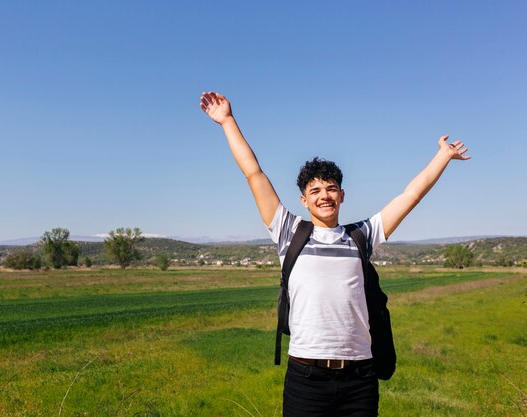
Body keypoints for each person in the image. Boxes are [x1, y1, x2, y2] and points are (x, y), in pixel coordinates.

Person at [199, 91, 471, 417]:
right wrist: (228, 121)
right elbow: (253, 173)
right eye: (315, 190)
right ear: (303, 200)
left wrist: (442, 156)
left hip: (360, 376)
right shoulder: (289, 232)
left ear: (342, 195)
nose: (324, 196)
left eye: (330, 189)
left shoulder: (361, 237)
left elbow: (410, 195)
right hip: (306, 376)